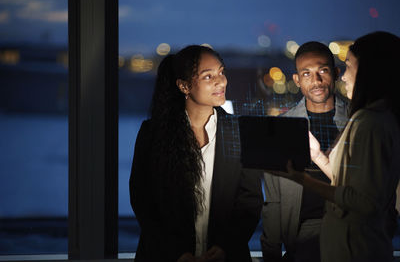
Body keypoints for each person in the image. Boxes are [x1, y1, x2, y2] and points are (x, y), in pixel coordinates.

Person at [274, 31, 400, 261]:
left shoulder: (369, 122)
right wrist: (319, 156)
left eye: (349, 67)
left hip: (355, 248)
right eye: (306, 73)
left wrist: (303, 180)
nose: (343, 77)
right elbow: (355, 185)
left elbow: (364, 201)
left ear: (369, 72)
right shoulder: (374, 118)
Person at [129, 45, 263, 262]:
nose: (221, 81)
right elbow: (143, 202)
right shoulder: (153, 134)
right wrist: (177, 254)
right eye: (208, 76)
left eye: (221, 72)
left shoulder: (240, 133)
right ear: (184, 86)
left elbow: (250, 202)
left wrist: (225, 247)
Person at [261, 41, 349, 262]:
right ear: (297, 80)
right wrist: (271, 254)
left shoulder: (356, 122)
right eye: (307, 74)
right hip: (299, 241)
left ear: (336, 73)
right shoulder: (282, 129)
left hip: (349, 236)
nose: (316, 81)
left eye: (323, 71)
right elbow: (273, 201)